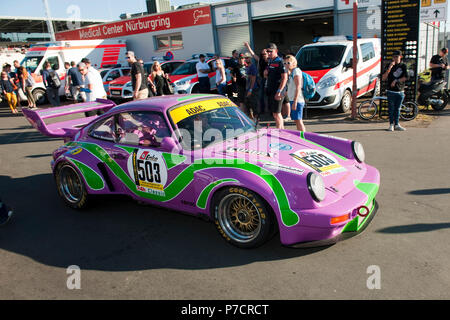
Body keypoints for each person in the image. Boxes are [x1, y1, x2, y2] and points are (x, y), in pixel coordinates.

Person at [382, 50, 407, 132]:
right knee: (391, 109)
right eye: (394, 57)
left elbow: (406, 77)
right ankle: (391, 124)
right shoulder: (389, 66)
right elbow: (384, 78)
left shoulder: (403, 66)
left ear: (400, 57)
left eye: (397, 56)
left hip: (400, 91)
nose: (395, 58)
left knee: (398, 109)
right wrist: (389, 68)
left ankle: (397, 124)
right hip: (391, 91)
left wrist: (396, 80)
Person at [265, 43, 288, 129]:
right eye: (268, 52)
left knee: (277, 113)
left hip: (278, 91)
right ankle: (281, 131)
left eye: (271, 51)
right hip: (271, 90)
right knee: (275, 114)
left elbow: (284, 78)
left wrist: (279, 91)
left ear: (276, 51)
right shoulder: (271, 61)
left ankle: (280, 133)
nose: (269, 53)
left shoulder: (280, 61)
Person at [244, 42, 269, 115]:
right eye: (262, 54)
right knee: (261, 95)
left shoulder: (271, 61)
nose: (263, 55)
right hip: (261, 79)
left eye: (264, 54)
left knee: (267, 95)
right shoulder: (260, 60)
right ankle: (262, 110)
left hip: (268, 79)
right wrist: (248, 46)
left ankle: (269, 110)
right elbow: (253, 54)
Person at [284, 55, 306, 132]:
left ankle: (303, 138)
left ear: (294, 63)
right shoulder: (291, 72)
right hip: (292, 99)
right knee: (296, 120)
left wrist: (295, 101)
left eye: (288, 63)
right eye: (285, 63)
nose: (286, 64)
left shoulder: (296, 71)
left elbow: (298, 86)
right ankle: (301, 136)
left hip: (297, 100)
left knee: (298, 120)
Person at [244, 52, 258, 121]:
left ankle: (256, 119)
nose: (246, 59)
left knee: (253, 104)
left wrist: (250, 89)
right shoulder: (247, 67)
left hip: (253, 88)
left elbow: (253, 78)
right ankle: (251, 118)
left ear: (250, 58)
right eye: (245, 58)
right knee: (247, 104)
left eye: (247, 58)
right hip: (247, 87)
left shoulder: (252, 67)